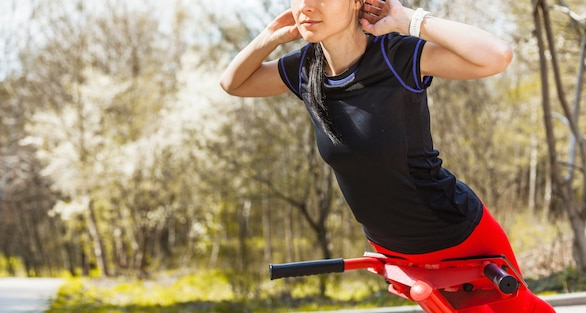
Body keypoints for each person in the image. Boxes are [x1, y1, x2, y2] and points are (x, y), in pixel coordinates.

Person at [220, 0, 555, 311]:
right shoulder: (306, 70)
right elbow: (233, 83)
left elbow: (498, 56)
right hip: (393, 249)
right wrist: (270, 36)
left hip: (457, 237)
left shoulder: (397, 57)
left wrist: (410, 20)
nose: (307, 5)